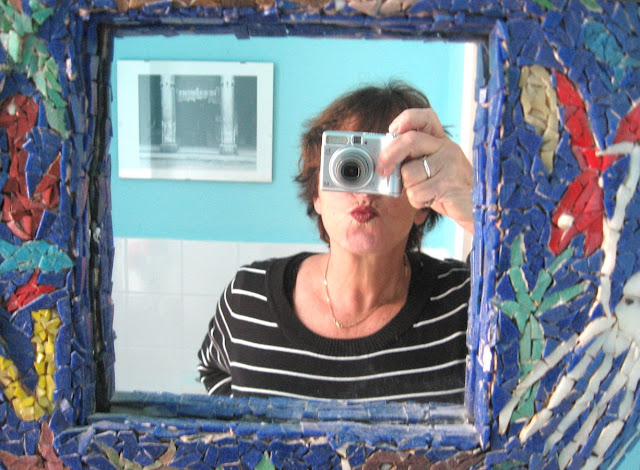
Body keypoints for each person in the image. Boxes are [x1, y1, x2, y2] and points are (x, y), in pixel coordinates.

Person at [198, 81, 474, 403]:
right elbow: (212, 370)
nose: (364, 193)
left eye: (389, 169)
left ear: (423, 205)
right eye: (349, 167)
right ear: (316, 194)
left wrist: (478, 207)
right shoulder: (249, 299)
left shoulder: (466, 300)